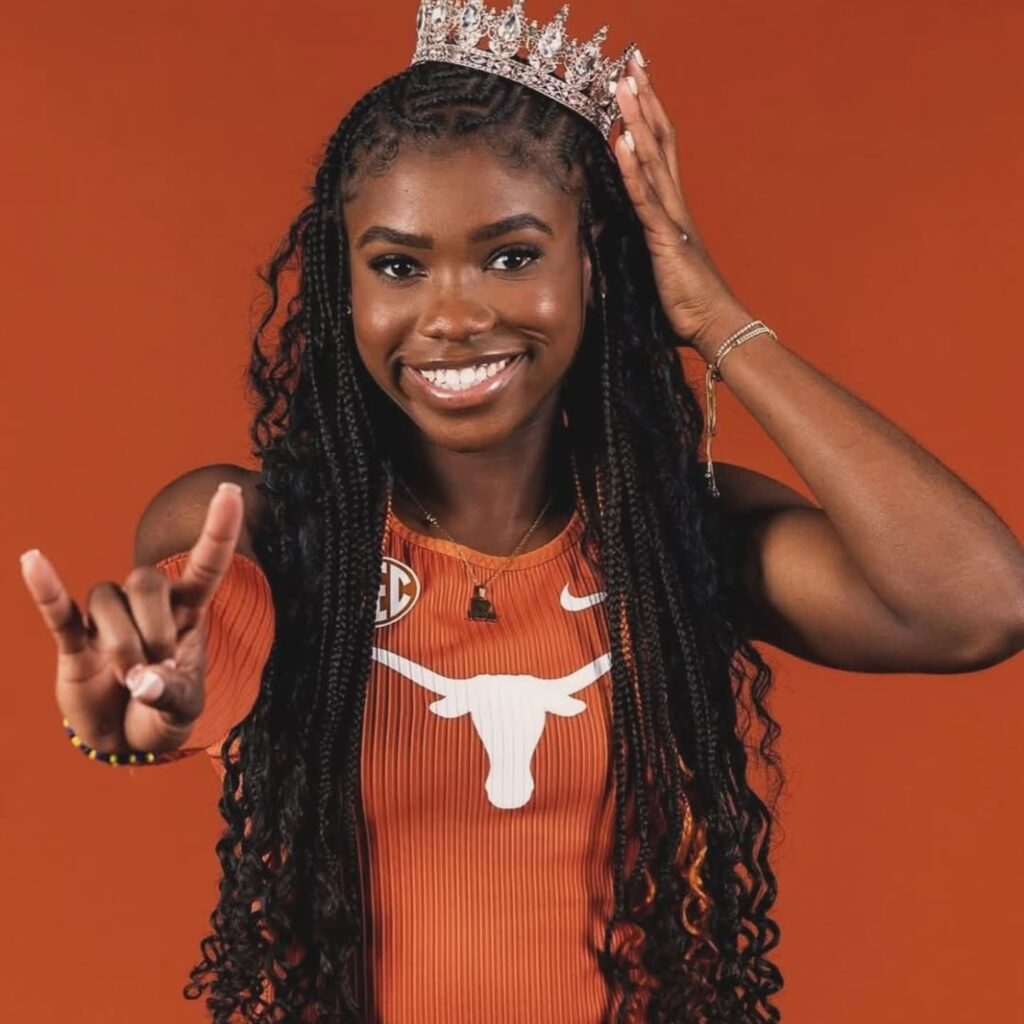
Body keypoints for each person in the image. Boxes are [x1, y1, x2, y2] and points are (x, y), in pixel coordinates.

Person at [18, 3, 1024, 1022]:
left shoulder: (672, 531)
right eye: (399, 266)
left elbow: (978, 605)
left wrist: (711, 315)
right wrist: (141, 711)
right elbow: (179, 662)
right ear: (344, 285)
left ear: (593, 265)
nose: (454, 316)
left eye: (510, 256)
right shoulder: (262, 528)